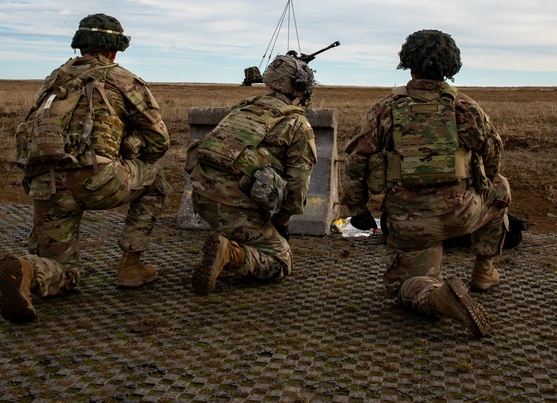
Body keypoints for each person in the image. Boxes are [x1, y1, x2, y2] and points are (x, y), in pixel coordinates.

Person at [0, 13, 171, 323]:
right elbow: (159, 141)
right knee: (155, 179)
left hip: (45, 185)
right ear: (115, 50)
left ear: (80, 45)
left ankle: (30, 272)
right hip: (98, 180)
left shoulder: (56, 79)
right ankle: (131, 265)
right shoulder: (123, 79)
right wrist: (130, 149)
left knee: (65, 271)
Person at [341, 29, 511, 338]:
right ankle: (484, 270)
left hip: (410, 224)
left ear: (408, 63)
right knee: (499, 187)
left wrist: (357, 207)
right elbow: (493, 155)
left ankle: (437, 297)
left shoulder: (385, 109)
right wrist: (480, 179)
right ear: (451, 66)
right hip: (463, 216)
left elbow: (355, 161)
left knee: (405, 287)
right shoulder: (466, 108)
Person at [188, 54, 317, 295]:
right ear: (300, 89)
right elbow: (298, 185)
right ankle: (231, 253)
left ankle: (231, 239)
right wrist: (282, 222)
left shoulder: (243, 107)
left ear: (269, 83)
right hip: (234, 208)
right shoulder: (298, 123)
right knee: (281, 262)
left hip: (200, 197)